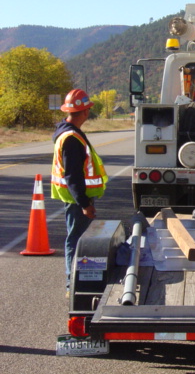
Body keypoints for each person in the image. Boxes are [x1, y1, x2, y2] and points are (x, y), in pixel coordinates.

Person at [51, 89, 108, 295]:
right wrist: (85, 204)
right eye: (88, 110)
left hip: (75, 197)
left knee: (77, 237)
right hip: (76, 199)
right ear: (84, 112)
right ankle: (72, 284)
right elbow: (72, 175)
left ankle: (76, 282)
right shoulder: (71, 138)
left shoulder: (67, 133)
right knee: (76, 239)